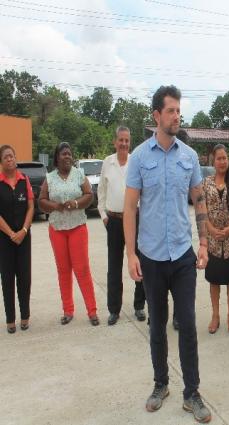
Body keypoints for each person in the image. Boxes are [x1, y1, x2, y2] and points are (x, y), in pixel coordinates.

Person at [124, 85, 211, 423]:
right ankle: (161, 384)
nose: (177, 115)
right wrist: (131, 254)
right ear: (157, 116)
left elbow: (199, 201)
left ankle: (192, 392)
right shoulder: (139, 157)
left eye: (179, 110)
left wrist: (203, 243)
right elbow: (130, 208)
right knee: (157, 326)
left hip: (183, 256)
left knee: (187, 324)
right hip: (152, 257)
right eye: (171, 110)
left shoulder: (188, 157)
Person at [38, 142, 99, 326]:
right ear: (57, 157)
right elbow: (41, 201)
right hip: (57, 229)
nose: (67, 157)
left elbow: (89, 195)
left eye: (69, 154)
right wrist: (55, 206)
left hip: (77, 227)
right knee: (63, 270)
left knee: (82, 269)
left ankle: (92, 311)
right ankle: (68, 310)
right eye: (63, 154)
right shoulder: (49, 178)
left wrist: (76, 203)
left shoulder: (79, 174)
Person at [97, 126, 146, 326]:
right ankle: (114, 309)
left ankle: (139, 306)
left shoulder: (136, 161)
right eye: (121, 140)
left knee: (139, 262)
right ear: (115, 142)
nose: (124, 144)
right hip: (114, 222)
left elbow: (144, 190)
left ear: (129, 142)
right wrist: (103, 216)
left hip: (135, 219)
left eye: (127, 140)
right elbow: (101, 191)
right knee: (114, 267)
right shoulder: (107, 163)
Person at [204, 144, 229, 335]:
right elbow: (201, 210)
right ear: (213, 161)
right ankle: (215, 315)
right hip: (212, 242)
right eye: (219, 158)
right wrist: (211, 229)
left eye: (225, 158)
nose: (222, 162)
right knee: (214, 280)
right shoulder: (206, 183)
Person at [0, 145, 34, 333]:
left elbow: (30, 207)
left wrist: (23, 230)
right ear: (1, 161)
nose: (10, 160)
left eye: (12, 156)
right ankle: (10, 319)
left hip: (24, 237)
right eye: (6, 157)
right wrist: (11, 233)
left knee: (24, 277)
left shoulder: (24, 180)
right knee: (7, 278)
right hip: (4, 239)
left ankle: (25, 316)